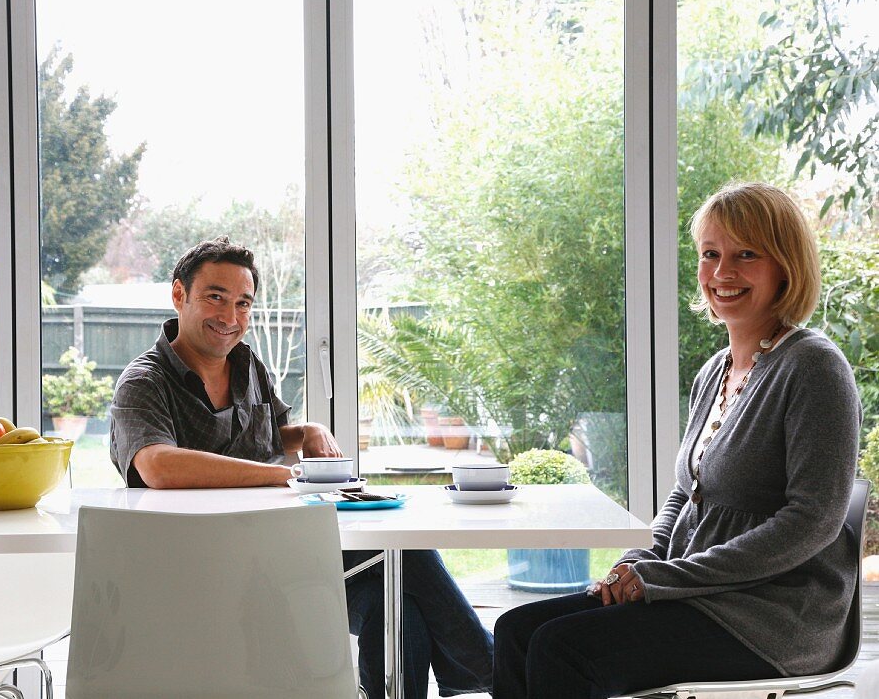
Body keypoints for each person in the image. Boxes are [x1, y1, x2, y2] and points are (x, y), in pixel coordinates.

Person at [491, 182, 862, 699]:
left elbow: (813, 521)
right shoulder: (715, 372)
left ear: (785, 265)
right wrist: (636, 562)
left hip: (772, 617)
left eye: (745, 255)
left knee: (561, 647)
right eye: (711, 254)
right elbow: (684, 496)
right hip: (695, 593)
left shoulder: (814, 368)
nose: (722, 273)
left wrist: (668, 579)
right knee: (516, 630)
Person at [110, 236, 494, 698]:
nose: (230, 318)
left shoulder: (248, 364)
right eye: (215, 297)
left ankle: (486, 670)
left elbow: (270, 436)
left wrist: (305, 431)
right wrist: (284, 476)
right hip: (205, 573)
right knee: (407, 563)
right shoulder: (143, 380)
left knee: (401, 595)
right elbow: (158, 465)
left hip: (282, 553)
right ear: (179, 294)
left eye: (243, 303)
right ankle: (493, 670)